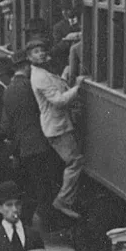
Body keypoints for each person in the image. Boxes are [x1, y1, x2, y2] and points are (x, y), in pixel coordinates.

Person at [27, 39, 85, 220]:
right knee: (75, 161)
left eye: (42, 50)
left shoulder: (43, 72)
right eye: (36, 51)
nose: (41, 53)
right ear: (29, 57)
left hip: (57, 125)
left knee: (73, 160)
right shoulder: (39, 76)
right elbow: (59, 101)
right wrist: (77, 87)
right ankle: (63, 200)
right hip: (57, 127)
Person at [1, 49, 58, 226]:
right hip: (39, 144)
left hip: (22, 147)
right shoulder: (30, 86)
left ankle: (27, 223)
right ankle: (46, 223)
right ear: (26, 66)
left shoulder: (8, 89)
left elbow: (6, 124)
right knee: (43, 187)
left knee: (29, 187)